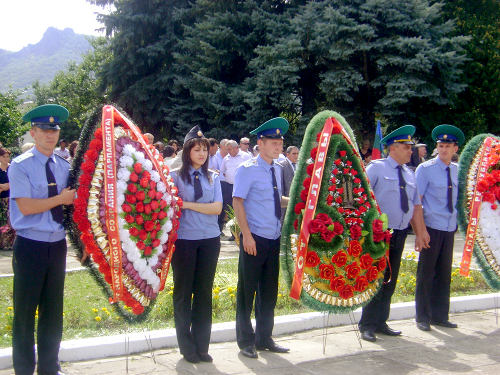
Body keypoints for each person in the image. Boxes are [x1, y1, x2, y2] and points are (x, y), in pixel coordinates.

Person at [8, 104, 76, 375]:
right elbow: (26, 207)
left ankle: (50, 366)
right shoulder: (20, 166)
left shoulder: (63, 166)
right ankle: (24, 369)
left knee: (52, 309)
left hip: (57, 245)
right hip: (30, 245)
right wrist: (60, 199)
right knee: (25, 312)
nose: (51, 135)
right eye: (45, 130)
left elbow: (72, 208)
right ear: (33, 133)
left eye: (55, 129)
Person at [358, 125, 430, 343]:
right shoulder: (376, 168)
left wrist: (420, 233)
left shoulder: (409, 173)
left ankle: (381, 321)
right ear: (393, 148)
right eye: (407, 148)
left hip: (399, 233)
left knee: (390, 278)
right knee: (375, 279)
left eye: (411, 148)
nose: (411, 151)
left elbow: (416, 206)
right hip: (378, 234)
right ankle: (367, 324)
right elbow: (362, 198)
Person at [233, 117, 290, 359]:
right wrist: (246, 235)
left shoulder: (277, 169)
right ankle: (246, 341)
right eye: (274, 143)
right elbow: (238, 201)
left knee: (269, 291)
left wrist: (299, 200)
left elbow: (277, 200)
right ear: (261, 143)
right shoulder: (247, 170)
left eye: (281, 143)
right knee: (247, 292)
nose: (279, 147)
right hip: (254, 238)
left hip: (273, 237)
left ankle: (264, 337)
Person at [170, 126, 222, 364]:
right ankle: (187, 347)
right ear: (187, 151)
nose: (201, 154)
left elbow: (217, 208)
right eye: (196, 149)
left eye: (204, 150)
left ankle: (202, 346)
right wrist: (191, 205)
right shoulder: (174, 177)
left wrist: (188, 205)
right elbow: (172, 206)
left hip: (210, 239)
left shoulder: (213, 175)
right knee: (183, 294)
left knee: (203, 293)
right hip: (184, 242)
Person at [414, 125, 464, 332]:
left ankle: (440, 315)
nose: (443, 150)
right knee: (426, 273)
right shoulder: (425, 170)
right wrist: (420, 231)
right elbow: (417, 201)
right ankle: (423, 317)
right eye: (440, 146)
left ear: (455, 148)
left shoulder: (458, 170)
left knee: (444, 273)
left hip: (449, 227)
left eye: (447, 146)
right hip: (431, 227)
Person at [279, 146, 299, 221]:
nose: (296, 156)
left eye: (297, 154)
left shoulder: (299, 165)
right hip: (285, 202)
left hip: (296, 201)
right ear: (287, 154)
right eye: (294, 154)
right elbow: (280, 184)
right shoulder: (281, 165)